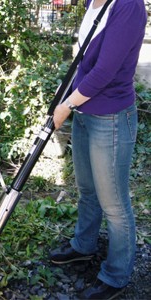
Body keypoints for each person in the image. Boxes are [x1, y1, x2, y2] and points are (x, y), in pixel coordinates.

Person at [50, 0, 147, 299]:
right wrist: (64, 96)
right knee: (87, 190)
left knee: (114, 204)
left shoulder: (128, 6)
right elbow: (84, 62)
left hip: (112, 119)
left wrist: (66, 106)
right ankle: (84, 245)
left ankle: (116, 275)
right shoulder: (94, 3)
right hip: (85, 115)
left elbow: (105, 70)